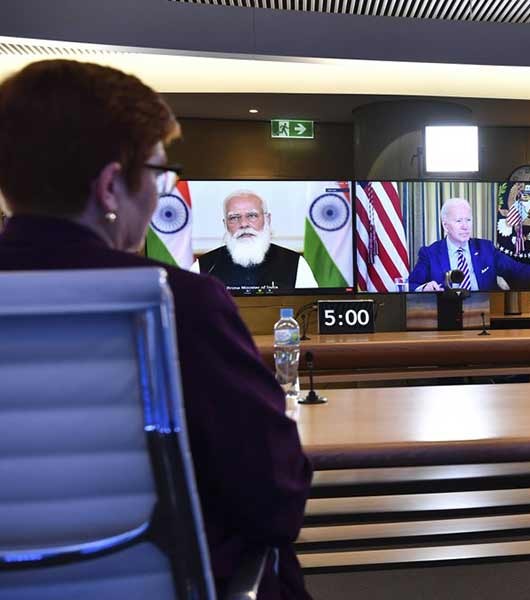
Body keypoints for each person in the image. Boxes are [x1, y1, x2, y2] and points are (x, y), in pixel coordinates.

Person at [0, 60, 313, 600]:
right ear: (109, 188)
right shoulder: (182, 303)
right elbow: (276, 501)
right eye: (158, 174)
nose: (161, 194)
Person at [408, 197, 530, 291]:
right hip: (445, 315)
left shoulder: (486, 249)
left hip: (484, 312)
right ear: (445, 225)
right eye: (458, 221)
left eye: (468, 220)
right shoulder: (430, 254)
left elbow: (517, 270)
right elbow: (411, 285)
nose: (465, 226)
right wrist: (424, 288)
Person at [195, 190, 318, 290]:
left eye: (252, 216)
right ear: (225, 224)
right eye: (234, 217)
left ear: (267, 219)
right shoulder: (203, 267)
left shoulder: (296, 264)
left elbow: (310, 313)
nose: (243, 224)